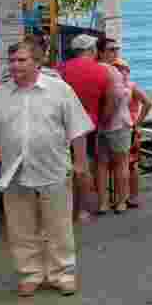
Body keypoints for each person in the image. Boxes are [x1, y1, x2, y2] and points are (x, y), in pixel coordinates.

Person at [0, 39, 93, 297]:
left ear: (37, 62)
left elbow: (78, 129)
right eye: (12, 61)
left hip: (53, 168)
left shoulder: (60, 90)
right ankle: (30, 274)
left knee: (59, 225)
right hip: (14, 173)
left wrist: (81, 163)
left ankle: (62, 274)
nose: (15, 66)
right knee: (20, 227)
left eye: (22, 60)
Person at [61, 34, 112, 223]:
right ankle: (83, 209)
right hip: (89, 125)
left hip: (64, 125)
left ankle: (68, 208)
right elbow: (110, 98)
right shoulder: (102, 71)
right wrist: (103, 119)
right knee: (84, 167)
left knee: (66, 167)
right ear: (91, 50)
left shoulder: (62, 69)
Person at [95, 37, 132, 214]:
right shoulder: (113, 71)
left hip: (99, 126)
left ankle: (103, 203)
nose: (115, 52)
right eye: (111, 49)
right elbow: (118, 97)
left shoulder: (95, 69)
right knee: (121, 163)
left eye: (117, 49)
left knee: (101, 164)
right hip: (116, 123)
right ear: (100, 52)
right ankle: (121, 201)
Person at [114, 58, 152, 209]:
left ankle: (132, 196)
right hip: (125, 128)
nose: (120, 71)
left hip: (130, 128)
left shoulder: (131, 86)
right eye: (117, 68)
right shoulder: (121, 86)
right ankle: (126, 196)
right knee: (128, 164)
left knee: (131, 164)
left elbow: (147, 103)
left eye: (122, 69)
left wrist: (138, 122)